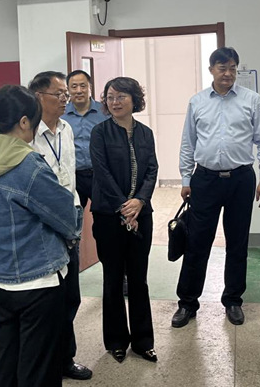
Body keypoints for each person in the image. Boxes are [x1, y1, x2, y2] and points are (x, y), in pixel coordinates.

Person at [0, 85, 83, 387]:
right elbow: (66, 218)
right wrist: (74, 226)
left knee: (9, 359)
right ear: (23, 122)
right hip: (38, 280)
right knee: (39, 368)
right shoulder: (27, 164)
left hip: (0, 278)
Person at [172, 47, 260, 329]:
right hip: (205, 179)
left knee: (238, 242)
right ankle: (187, 303)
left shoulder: (252, 100)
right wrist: (186, 179)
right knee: (197, 242)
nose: (228, 73)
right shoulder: (197, 102)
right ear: (211, 70)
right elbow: (188, 143)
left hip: (241, 179)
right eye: (222, 68)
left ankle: (233, 301)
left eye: (232, 68)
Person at [28, 71, 92, 381]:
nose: (66, 99)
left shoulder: (66, 128)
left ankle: (66, 358)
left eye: (66, 93)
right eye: (60, 94)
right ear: (38, 97)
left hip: (70, 219)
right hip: (42, 226)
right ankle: (49, 361)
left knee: (70, 296)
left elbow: (69, 176)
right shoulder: (28, 135)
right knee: (48, 300)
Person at [90, 77, 158, 363]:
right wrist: (123, 207)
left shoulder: (145, 133)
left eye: (121, 96)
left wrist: (140, 201)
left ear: (134, 99)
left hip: (142, 214)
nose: (115, 102)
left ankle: (143, 342)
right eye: (110, 97)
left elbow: (152, 169)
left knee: (139, 279)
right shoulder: (100, 132)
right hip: (108, 216)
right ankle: (116, 340)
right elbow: (101, 172)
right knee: (113, 279)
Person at [62, 69, 107, 209]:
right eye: (74, 87)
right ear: (68, 90)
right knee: (73, 214)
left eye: (83, 86)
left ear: (90, 87)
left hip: (100, 174)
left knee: (104, 214)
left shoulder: (105, 112)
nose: (79, 91)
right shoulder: (61, 114)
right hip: (73, 175)